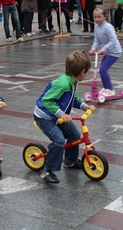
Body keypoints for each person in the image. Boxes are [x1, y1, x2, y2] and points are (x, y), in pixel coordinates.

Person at [34, 51, 95, 183]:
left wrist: (85, 106)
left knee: (74, 134)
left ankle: (70, 161)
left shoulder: (72, 81)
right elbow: (47, 101)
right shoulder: (62, 84)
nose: (87, 73)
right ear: (83, 71)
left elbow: (72, 98)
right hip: (45, 117)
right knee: (59, 141)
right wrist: (62, 114)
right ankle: (48, 170)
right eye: (88, 71)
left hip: (58, 115)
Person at [89, 8, 122, 96]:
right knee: (101, 70)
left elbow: (113, 40)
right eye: (95, 17)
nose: (97, 19)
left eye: (99, 17)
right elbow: (96, 40)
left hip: (115, 52)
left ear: (105, 17)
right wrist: (93, 49)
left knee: (103, 69)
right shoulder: (96, 27)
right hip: (107, 52)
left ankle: (110, 90)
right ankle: (106, 88)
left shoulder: (108, 27)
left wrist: (103, 49)